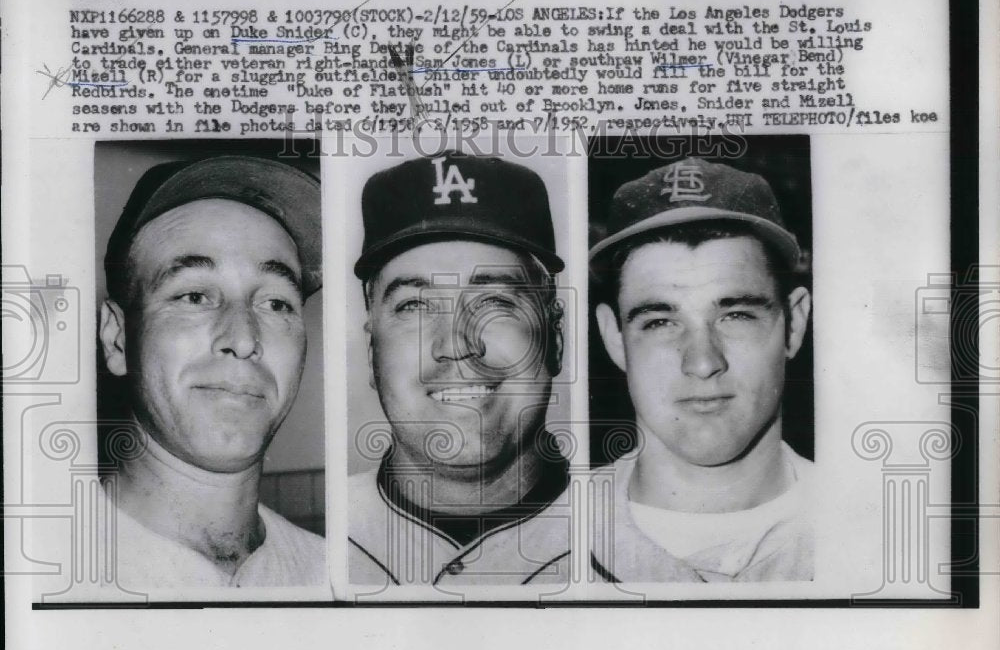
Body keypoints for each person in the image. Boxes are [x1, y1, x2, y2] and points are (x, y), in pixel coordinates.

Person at [97, 154, 326, 588]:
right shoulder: (43, 567)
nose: (242, 339)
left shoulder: (333, 577)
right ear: (117, 339)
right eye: (195, 297)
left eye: (276, 303)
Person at [348, 151, 572, 587]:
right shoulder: (314, 551)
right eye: (415, 305)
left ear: (555, 340)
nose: (456, 344)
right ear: (371, 352)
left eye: (495, 303)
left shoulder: (638, 546)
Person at [589, 156, 814, 582]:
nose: (704, 362)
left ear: (794, 324)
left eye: (737, 316)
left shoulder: (877, 528)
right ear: (613, 337)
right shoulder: (535, 545)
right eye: (659, 322)